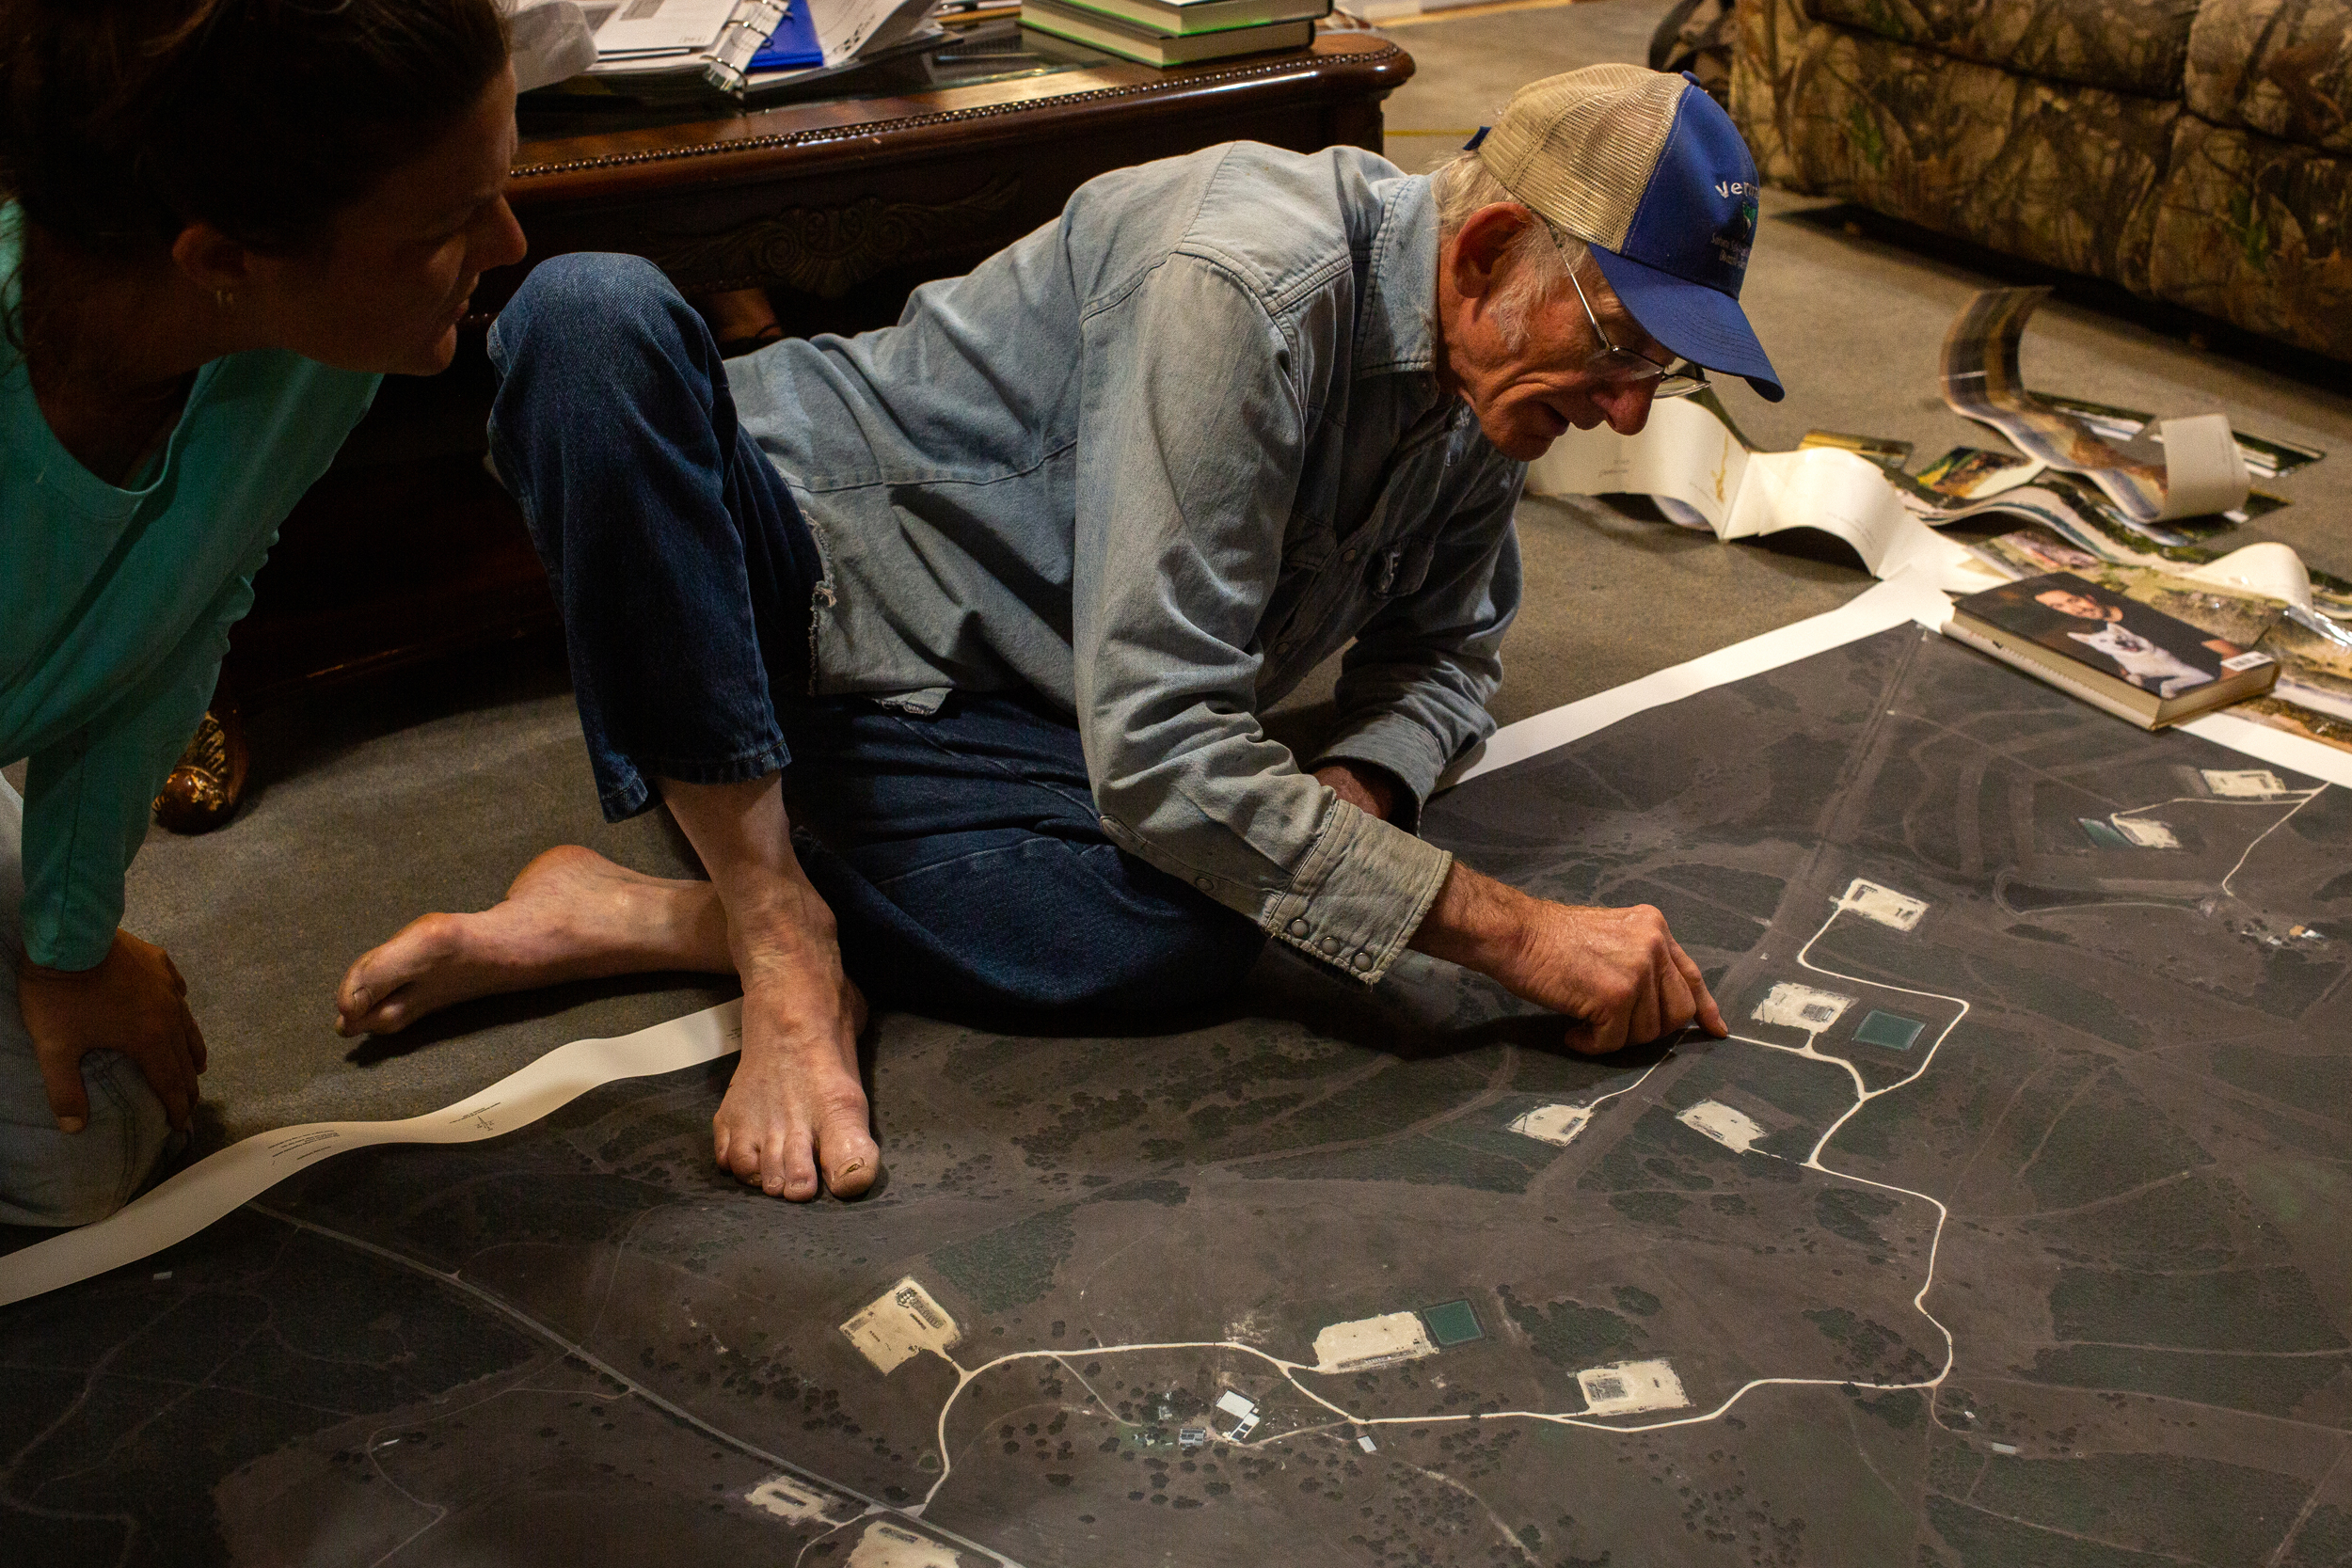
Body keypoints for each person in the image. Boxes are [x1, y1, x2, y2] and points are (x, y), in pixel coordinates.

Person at [339, 65, 1785, 1206]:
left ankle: (659, 910)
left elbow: (1449, 657)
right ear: (1484, 255)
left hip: (1009, 708)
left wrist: (1359, 795)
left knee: (1201, 926)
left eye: (1660, 370)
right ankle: (777, 933)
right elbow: (1166, 759)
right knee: (585, 318)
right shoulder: (1243, 283)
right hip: (785, 595)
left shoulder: (1496, 384)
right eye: (1622, 348)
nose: (1628, 410)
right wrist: (1518, 935)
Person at [0, 0, 528, 1227]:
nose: (509, 242)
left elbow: (176, 624)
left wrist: (70, 947)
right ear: (224, 260)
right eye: (447, 224)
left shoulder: (307, 358)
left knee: (90, 1143)